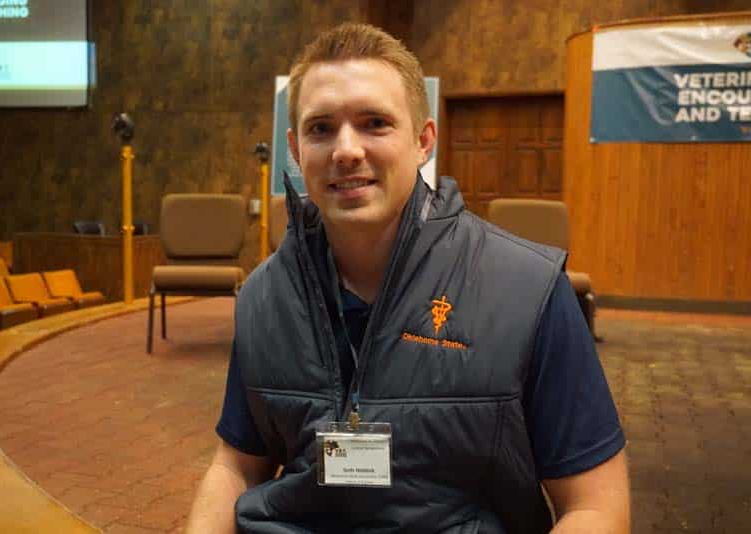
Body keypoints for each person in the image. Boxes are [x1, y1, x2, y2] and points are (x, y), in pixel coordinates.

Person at [187, 23, 629, 533]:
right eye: (321, 128)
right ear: (296, 148)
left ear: (423, 141)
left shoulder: (529, 291)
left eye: (374, 123)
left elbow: (597, 507)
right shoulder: (264, 296)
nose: (345, 150)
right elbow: (237, 465)